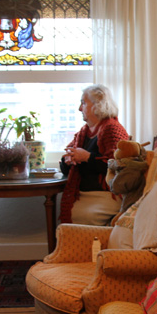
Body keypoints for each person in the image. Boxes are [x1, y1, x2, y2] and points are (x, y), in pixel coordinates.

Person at [60, 84, 130, 225]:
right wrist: (68, 160)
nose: (79, 108)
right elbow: (67, 166)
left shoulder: (112, 128)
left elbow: (119, 167)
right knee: (68, 217)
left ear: (98, 105)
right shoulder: (83, 132)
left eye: (83, 103)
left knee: (77, 218)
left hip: (107, 196)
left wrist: (87, 157)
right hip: (84, 195)